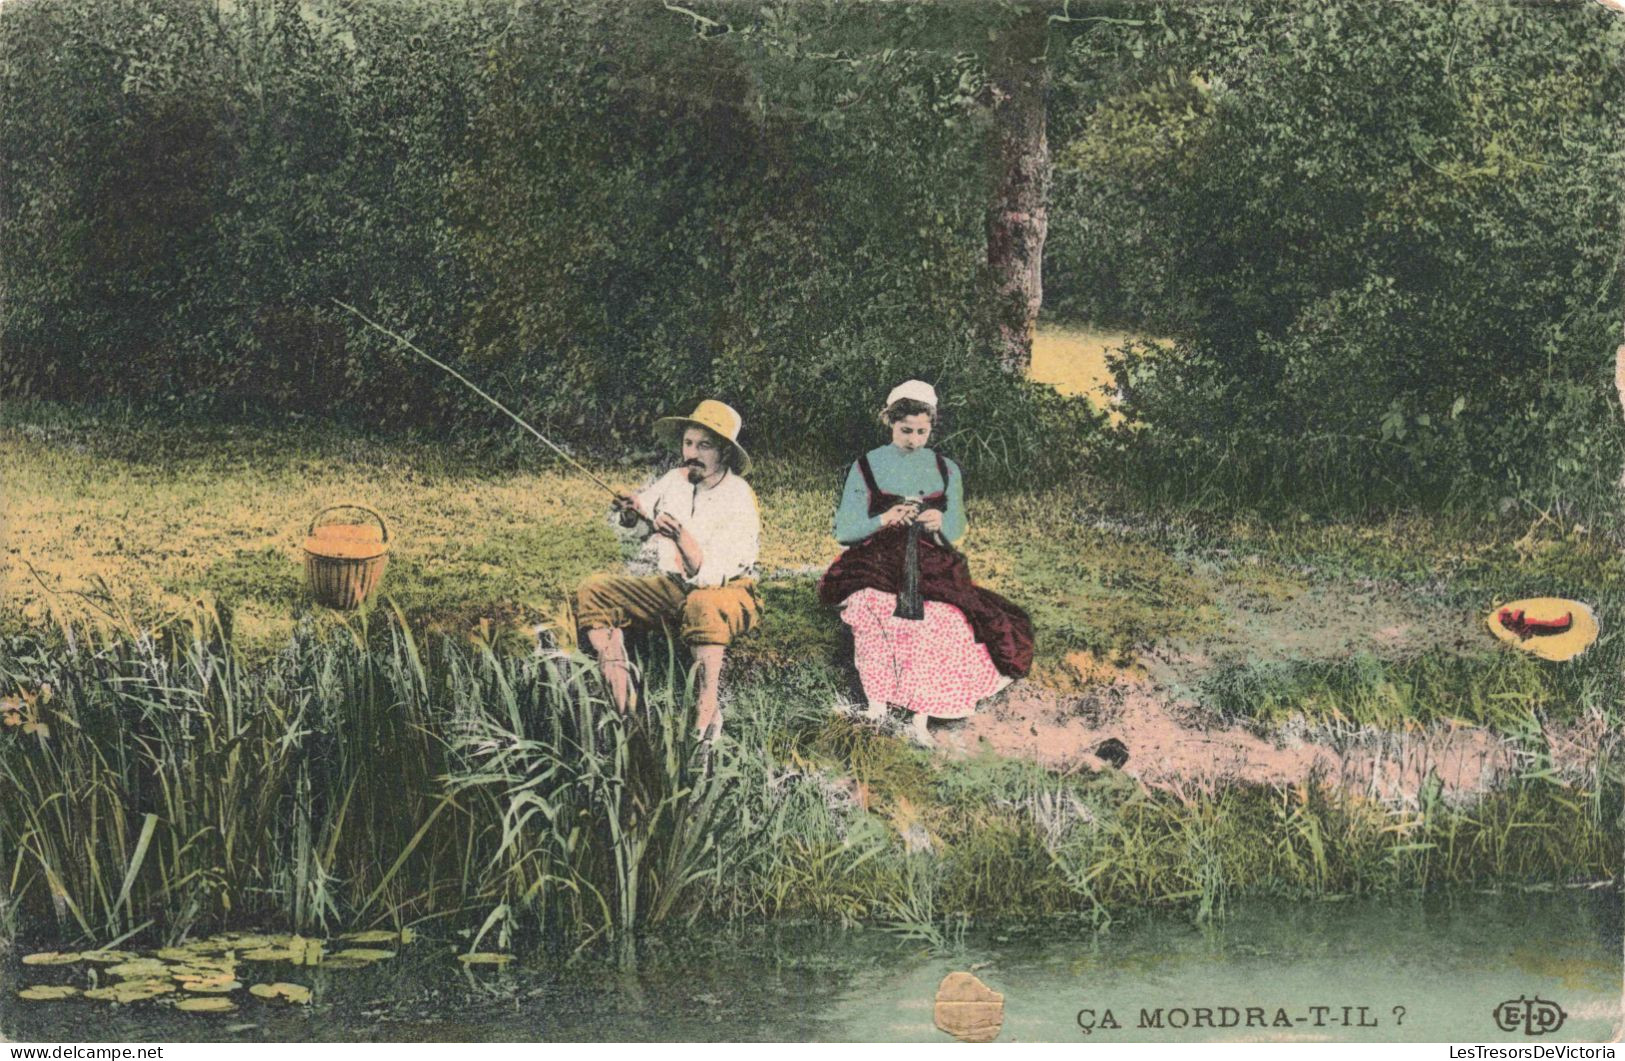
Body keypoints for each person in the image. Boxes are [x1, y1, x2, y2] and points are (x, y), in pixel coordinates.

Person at [817, 380, 1033, 746]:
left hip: (929, 561)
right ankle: (878, 707)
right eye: (905, 431)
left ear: (932, 427)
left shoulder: (946, 469)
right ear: (889, 422)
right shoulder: (867, 465)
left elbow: (958, 527)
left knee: (946, 619)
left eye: (922, 431)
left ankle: (921, 715)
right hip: (878, 560)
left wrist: (940, 522)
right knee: (877, 609)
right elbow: (845, 529)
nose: (914, 440)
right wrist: (885, 519)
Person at [574, 400, 761, 741]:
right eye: (688, 443)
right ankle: (622, 700)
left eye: (704, 446)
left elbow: (711, 575)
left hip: (727, 592)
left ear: (724, 452)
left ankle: (707, 713)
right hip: (672, 587)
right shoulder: (674, 480)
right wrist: (630, 509)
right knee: (594, 591)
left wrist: (680, 537)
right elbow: (640, 515)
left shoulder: (739, 497)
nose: (692, 453)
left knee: (701, 605)